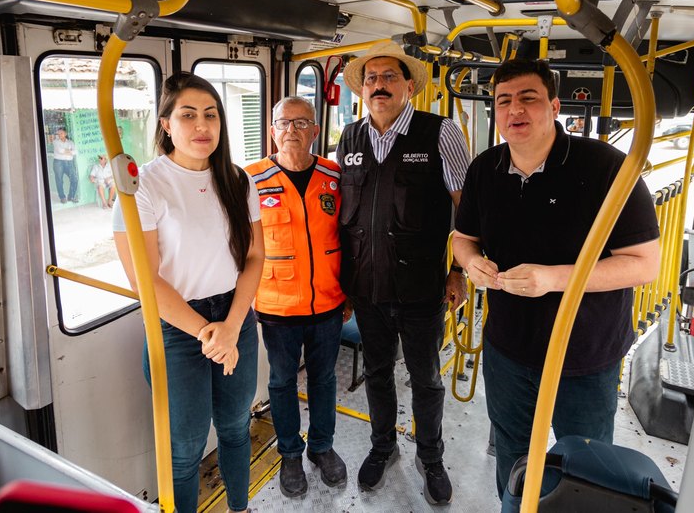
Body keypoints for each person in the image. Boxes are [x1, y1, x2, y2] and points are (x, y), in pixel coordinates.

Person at [450, 58, 661, 499]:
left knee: (584, 463)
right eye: (503, 101)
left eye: (528, 98)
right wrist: (471, 264)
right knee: (512, 451)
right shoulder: (484, 169)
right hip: (508, 348)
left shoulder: (607, 169)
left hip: (584, 355)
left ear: (555, 106)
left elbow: (644, 263)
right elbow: (462, 238)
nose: (515, 110)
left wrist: (554, 278)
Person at [112, 72, 263, 513]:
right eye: (189, 115)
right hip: (177, 327)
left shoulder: (236, 180)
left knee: (236, 427)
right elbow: (145, 279)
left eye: (211, 115)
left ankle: (239, 507)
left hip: (234, 315)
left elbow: (255, 257)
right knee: (185, 448)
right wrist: (209, 334)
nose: (203, 126)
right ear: (165, 124)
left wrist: (232, 328)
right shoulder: (144, 186)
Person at [337, 40, 470, 505]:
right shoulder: (350, 138)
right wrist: (344, 284)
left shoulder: (440, 133)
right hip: (368, 290)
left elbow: (466, 210)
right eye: (371, 79)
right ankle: (383, 446)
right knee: (376, 374)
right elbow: (345, 219)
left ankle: (430, 457)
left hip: (421, 289)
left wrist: (458, 271)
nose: (379, 85)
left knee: (427, 378)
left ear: (409, 86)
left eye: (389, 77)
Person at [245, 96, 350, 498]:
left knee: (324, 379)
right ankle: (290, 452)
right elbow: (239, 244)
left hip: (328, 301)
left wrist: (349, 294)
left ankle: (322, 447)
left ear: (315, 131)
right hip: (275, 305)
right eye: (283, 122)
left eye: (301, 122)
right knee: (282, 381)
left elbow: (348, 236)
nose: (292, 129)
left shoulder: (333, 175)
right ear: (272, 130)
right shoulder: (250, 179)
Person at [52, 127, 79, 203]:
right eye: (58, 133)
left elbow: (75, 151)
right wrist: (70, 151)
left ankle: (71, 196)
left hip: (69, 163)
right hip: (58, 162)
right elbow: (60, 151)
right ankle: (62, 197)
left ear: (65, 133)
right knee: (59, 180)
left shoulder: (70, 142)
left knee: (74, 179)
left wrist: (67, 151)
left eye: (61, 133)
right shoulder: (55, 142)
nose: (60, 135)